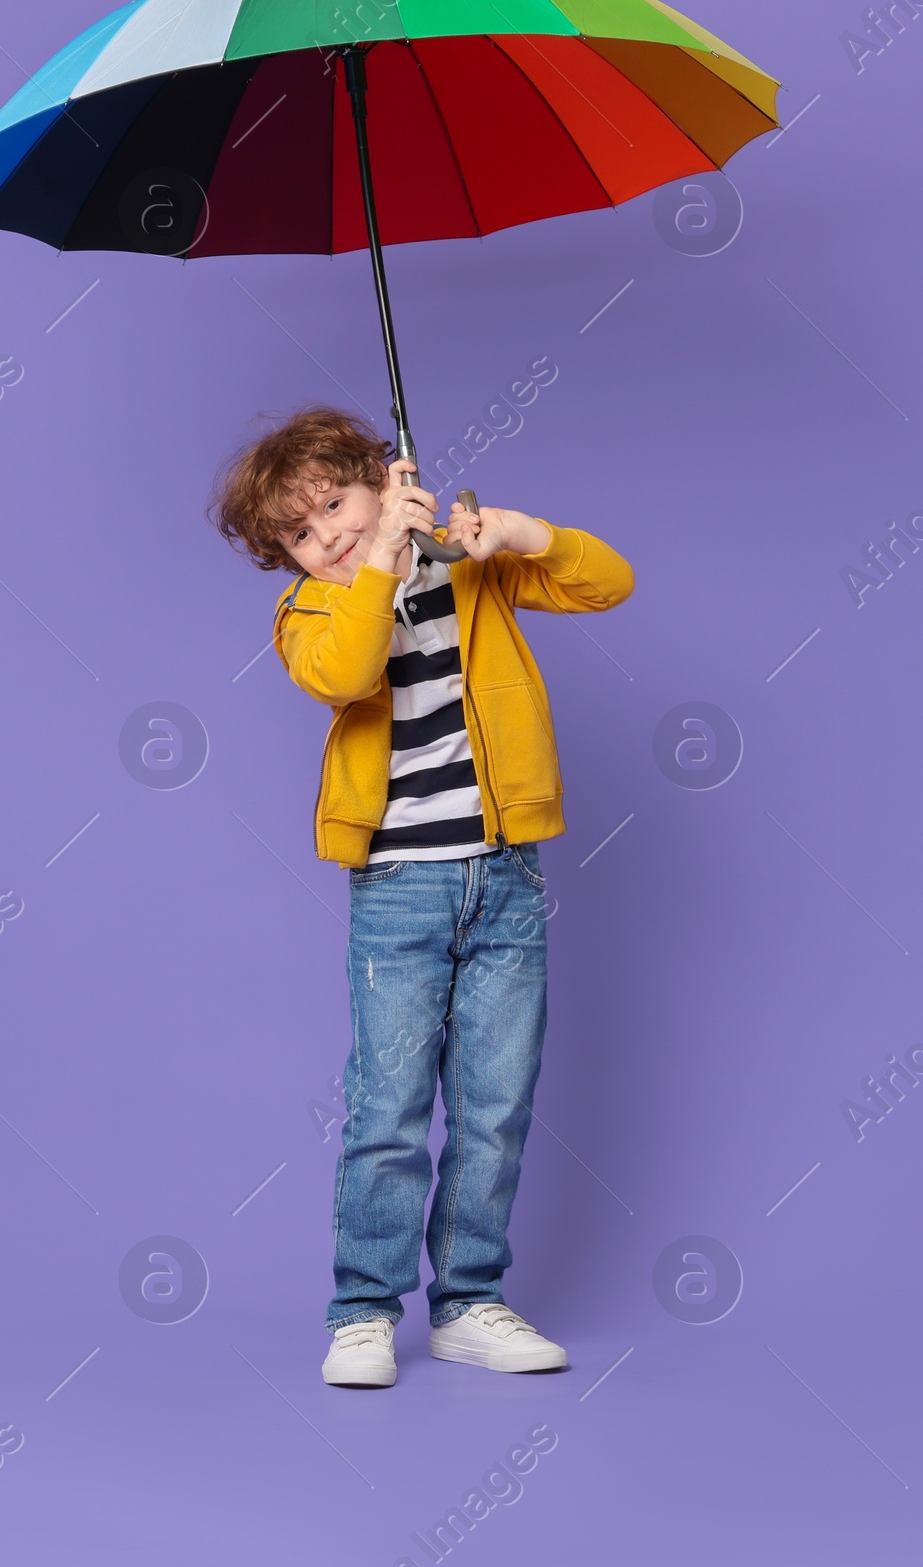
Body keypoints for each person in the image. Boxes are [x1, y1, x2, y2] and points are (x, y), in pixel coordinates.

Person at [211, 406, 634, 1387]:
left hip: (505, 880)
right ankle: (362, 1311)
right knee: (390, 1111)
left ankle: (469, 1301)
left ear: (382, 475)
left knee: (495, 1107)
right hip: (399, 890)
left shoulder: (468, 565)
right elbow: (347, 674)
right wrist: (373, 568)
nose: (328, 537)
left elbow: (608, 582)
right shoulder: (314, 611)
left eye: (336, 506)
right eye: (302, 537)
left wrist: (520, 534)